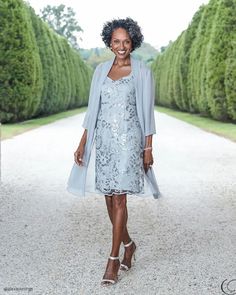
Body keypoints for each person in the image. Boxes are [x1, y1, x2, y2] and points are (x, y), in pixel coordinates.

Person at [67, 17, 161, 286]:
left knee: (120, 198)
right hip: (105, 143)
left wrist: (147, 148)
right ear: (110, 43)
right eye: (116, 41)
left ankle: (113, 260)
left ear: (133, 43)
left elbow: (147, 113)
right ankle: (129, 244)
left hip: (129, 143)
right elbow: (92, 110)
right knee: (109, 198)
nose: (121, 46)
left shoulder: (142, 72)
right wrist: (83, 141)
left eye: (126, 41)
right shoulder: (100, 72)